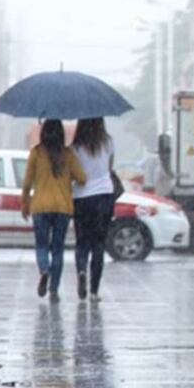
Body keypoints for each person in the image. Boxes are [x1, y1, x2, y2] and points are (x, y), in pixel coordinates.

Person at [21, 119, 86, 301]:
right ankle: (54, 289)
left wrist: (24, 203)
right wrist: (68, 180)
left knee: (41, 245)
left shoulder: (36, 153)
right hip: (62, 207)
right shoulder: (68, 154)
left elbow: (27, 182)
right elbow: (82, 178)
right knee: (57, 249)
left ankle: (44, 270)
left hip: (40, 207)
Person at [71, 118, 116, 301]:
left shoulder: (75, 147)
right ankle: (94, 291)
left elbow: (73, 173)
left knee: (82, 241)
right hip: (104, 195)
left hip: (81, 197)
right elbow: (110, 167)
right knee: (99, 243)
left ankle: (81, 270)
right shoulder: (108, 141)